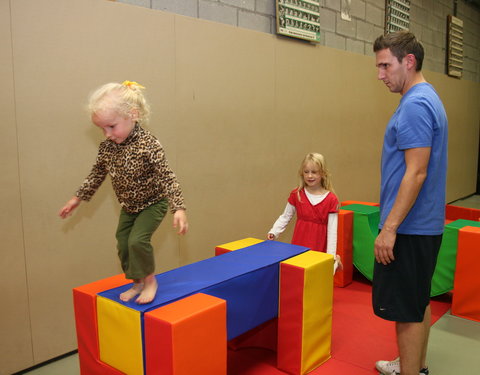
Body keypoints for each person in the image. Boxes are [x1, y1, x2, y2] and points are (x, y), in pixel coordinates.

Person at [59, 81, 188, 305]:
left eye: (112, 126)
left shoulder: (148, 144)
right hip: (129, 207)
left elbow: (167, 176)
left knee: (137, 242)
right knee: (123, 242)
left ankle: (150, 281)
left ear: (133, 115)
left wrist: (178, 208)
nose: (107, 134)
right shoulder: (107, 147)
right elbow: (97, 174)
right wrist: (77, 198)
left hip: (152, 203)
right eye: (102, 129)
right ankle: (137, 281)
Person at [372, 31, 448, 375]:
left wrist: (389, 229)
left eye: (386, 65)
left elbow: (416, 173)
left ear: (409, 61)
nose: (380, 74)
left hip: (410, 227)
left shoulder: (416, 104)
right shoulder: (426, 97)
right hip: (421, 224)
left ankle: (410, 371)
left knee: (405, 308)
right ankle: (415, 365)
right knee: (416, 301)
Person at [267, 152, 341, 272]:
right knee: (298, 274)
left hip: (319, 245)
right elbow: (285, 216)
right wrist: (274, 231)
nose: (310, 176)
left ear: (322, 173)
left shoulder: (331, 199)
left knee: (315, 275)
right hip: (299, 243)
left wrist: (330, 256)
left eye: (314, 172)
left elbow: (333, 231)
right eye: (306, 172)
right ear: (302, 173)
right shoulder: (297, 194)